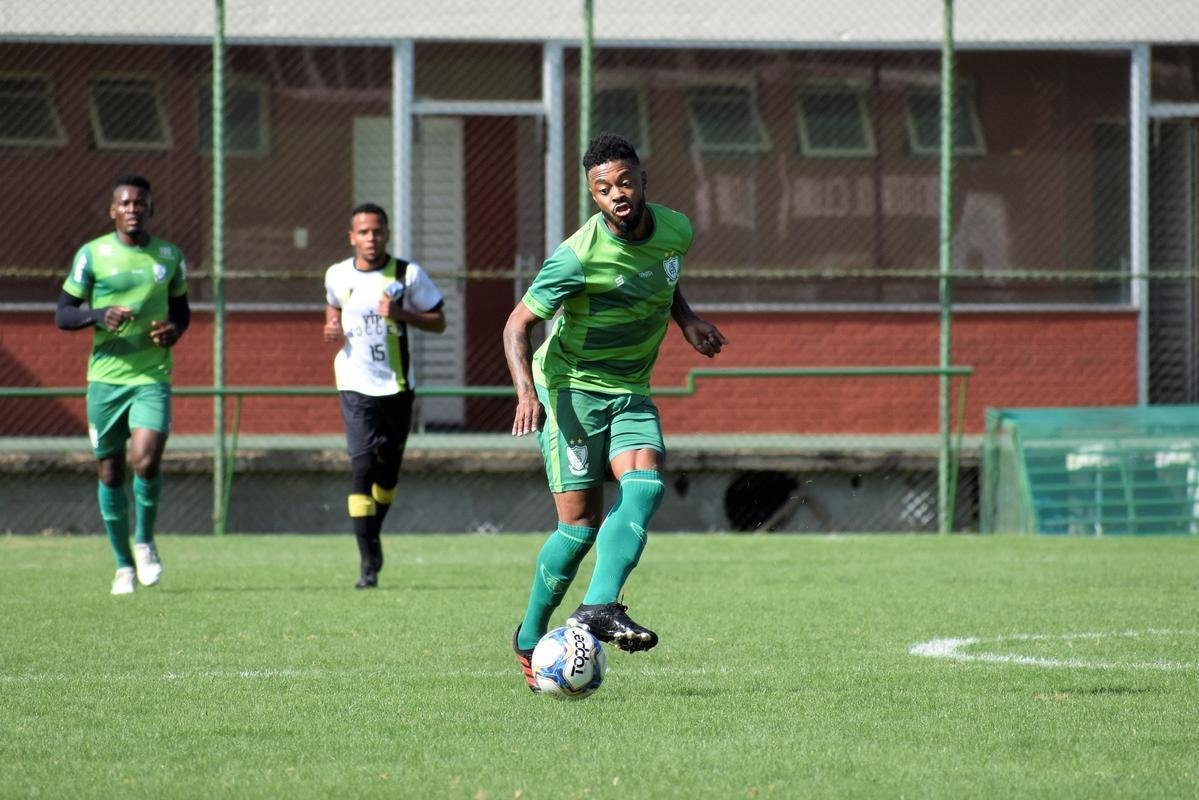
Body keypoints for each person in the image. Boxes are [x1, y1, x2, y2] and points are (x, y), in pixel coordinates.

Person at [503, 133, 728, 692]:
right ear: (593, 197)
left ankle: (599, 606)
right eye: (602, 189)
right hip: (571, 391)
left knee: (646, 486)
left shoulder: (676, 229)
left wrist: (687, 320)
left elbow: (664, 274)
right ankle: (529, 637)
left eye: (624, 182)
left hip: (630, 388)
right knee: (577, 529)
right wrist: (526, 392)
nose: (616, 194)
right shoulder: (576, 256)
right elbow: (516, 325)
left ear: (642, 180)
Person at [56, 174, 190, 596]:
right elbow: (63, 314)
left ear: (151, 209)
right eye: (125, 203)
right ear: (113, 210)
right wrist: (98, 315)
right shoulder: (92, 255)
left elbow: (182, 311)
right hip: (105, 381)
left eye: (140, 203)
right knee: (111, 470)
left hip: (152, 377)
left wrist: (175, 330)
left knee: (146, 460)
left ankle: (145, 541)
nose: (133, 209)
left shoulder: (169, 256)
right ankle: (122, 566)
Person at [323, 203, 446, 589]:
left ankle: (371, 532)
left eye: (377, 231)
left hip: (396, 387)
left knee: (388, 472)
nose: (370, 238)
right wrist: (330, 323)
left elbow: (439, 320)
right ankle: (367, 563)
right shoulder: (338, 274)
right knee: (361, 468)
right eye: (363, 232)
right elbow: (333, 303)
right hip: (354, 383)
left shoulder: (407, 274)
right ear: (352, 237)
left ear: (386, 234)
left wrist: (402, 314)